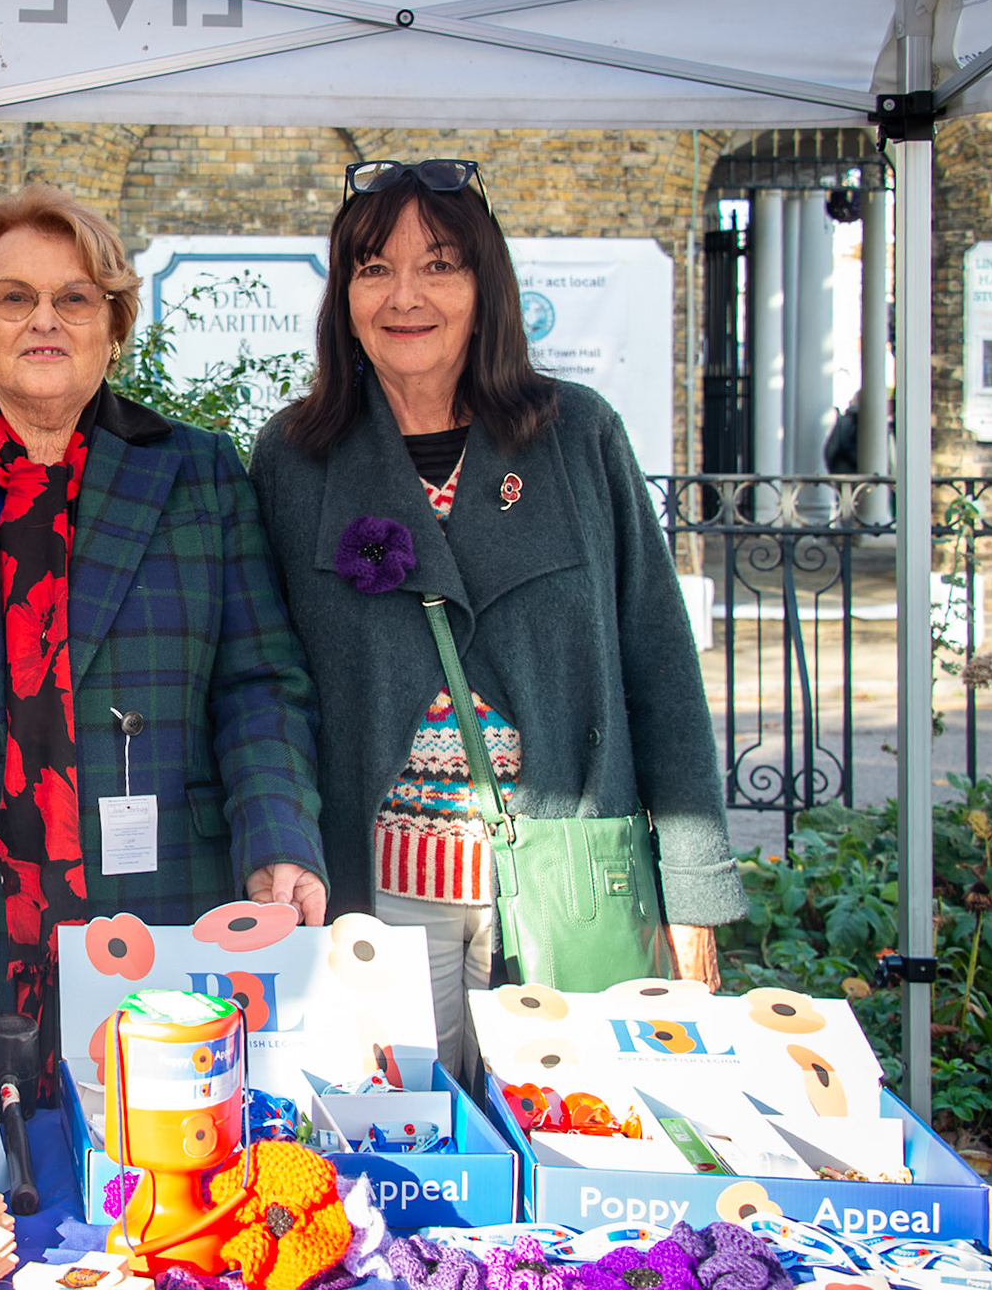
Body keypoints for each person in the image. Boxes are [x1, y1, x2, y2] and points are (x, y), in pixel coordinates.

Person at [248, 159, 743, 1080]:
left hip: (571, 882)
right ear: (343, 295)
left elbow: (659, 665)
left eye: (439, 264)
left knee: (578, 1147)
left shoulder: (577, 434)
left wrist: (692, 892)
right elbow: (265, 687)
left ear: (487, 285)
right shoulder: (296, 456)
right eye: (373, 268)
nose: (406, 296)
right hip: (382, 898)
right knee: (403, 1154)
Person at [0, 183, 327, 1068]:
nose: (42, 321)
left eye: (74, 298)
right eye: (14, 297)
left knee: (154, 1159)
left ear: (113, 323)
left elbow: (260, 683)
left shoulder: (200, 477)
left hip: (158, 900)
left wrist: (279, 836)